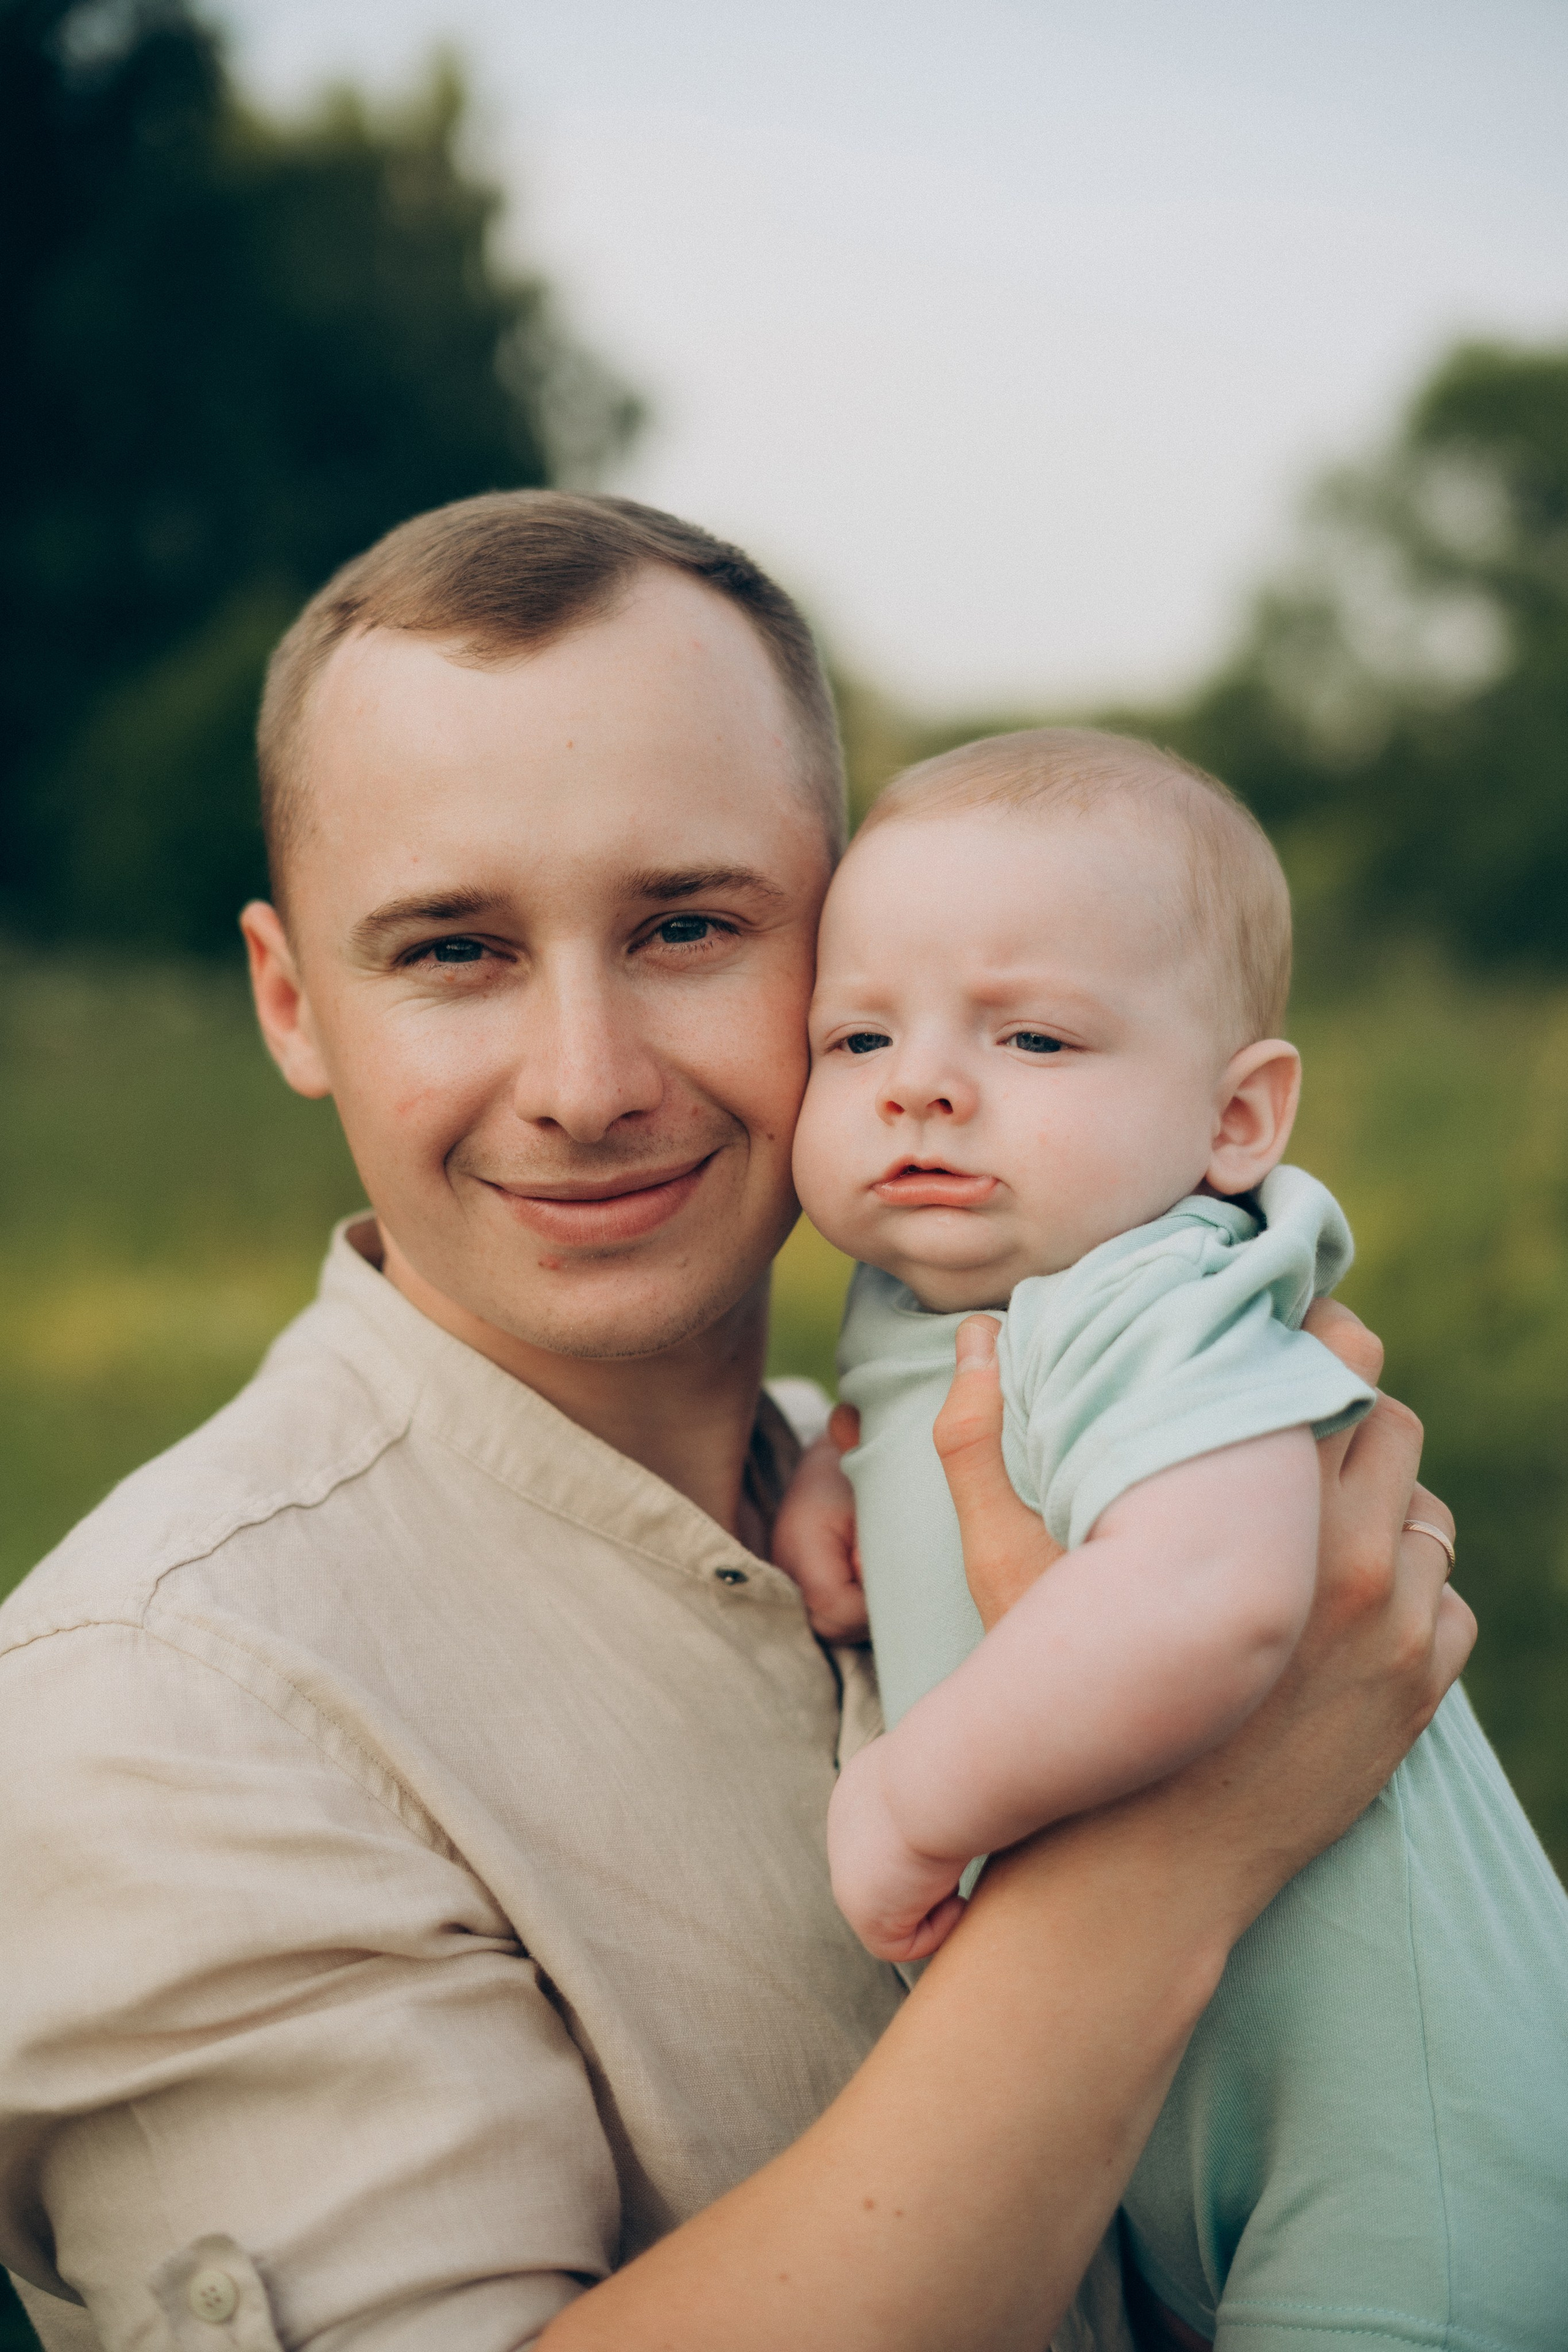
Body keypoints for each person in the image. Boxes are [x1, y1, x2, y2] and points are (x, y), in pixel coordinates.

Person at [0, 494, 1469, 2352]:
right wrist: (1178, 1848)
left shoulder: (955, 1461)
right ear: (295, 1002)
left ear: (848, 941)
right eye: (452, 950)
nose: (588, 1084)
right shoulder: (154, 1702)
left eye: (689, 923)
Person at [779, 726, 1568, 2348]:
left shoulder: (1151, 1290)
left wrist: (915, 1802)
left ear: (1234, 1121)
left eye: (1038, 1036)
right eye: (858, 1035)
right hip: (1205, 2112)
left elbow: (1213, 1597)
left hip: (1404, 2137)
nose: (919, 1081)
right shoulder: (937, 1289)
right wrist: (841, 1476)